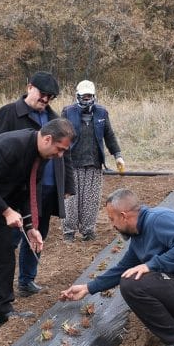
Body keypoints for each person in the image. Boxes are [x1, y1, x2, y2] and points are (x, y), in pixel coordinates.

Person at [60, 189, 174, 346]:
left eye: (111, 219)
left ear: (123, 215)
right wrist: (88, 288)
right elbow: (123, 267)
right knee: (134, 276)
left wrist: (150, 265)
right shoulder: (138, 235)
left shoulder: (159, 220)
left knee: (133, 284)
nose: (112, 225)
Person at [0, 119, 76, 335]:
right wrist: (7, 212)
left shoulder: (42, 154)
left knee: (6, 252)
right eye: (60, 148)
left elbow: (28, 190)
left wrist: (30, 226)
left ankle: (3, 309)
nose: (60, 155)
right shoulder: (12, 145)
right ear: (47, 139)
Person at [0, 71, 73, 297]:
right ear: (29, 87)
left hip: (47, 188)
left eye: (50, 97)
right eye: (42, 94)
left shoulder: (55, 119)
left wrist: (67, 185)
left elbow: (67, 154)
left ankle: (27, 280)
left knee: (38, 234)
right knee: (11, 238)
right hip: (17, 191)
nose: (45, 100)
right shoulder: (8, 114)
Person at [61, 80, 124, 242]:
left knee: (91, 200)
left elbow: (109, 136)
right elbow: (59, 135)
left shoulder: (102, 113)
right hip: (72, 163)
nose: (87, 99)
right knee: (71, 200)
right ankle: (69, 231)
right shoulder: (68, 112)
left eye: (90, 96)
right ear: (78, 96)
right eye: (84, 96)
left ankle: (88, 231)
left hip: (94, 163)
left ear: (94, 96)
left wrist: (117, 155)